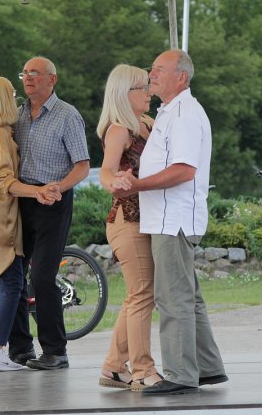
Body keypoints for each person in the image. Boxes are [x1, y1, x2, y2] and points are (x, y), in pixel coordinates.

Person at [113, 49, 228, 395]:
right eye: (152, 69)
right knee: (187, 296)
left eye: (159, 69)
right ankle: (206, 367)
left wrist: (137, 184)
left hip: (172, 219)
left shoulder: (185, 114)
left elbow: (183, 170)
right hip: (167, 217)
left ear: (181, 76)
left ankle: (180, 373)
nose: (152, 75)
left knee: (173, 297)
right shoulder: (171, 112)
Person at [8, 57, 90, 370]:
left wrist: (59, 187)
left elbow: (82, 166)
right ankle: (20, 349)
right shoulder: (18, 116)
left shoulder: (68, 116)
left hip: (53, 202)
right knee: (12, 273)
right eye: (24, 73)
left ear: (51, 80)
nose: (27, 78)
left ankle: (56, 351)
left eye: (34, 73)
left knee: (41, 275)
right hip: (24, 199)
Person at [0, 75, 61, 371]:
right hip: (0, 222)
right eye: (11, 94)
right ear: (1, 100)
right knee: (12, 284)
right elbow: (3, 182)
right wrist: (36, 191)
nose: (15, 99)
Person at [96, 64, 162, 390]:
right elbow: (106, 170)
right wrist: (115, 181)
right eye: (143, 87)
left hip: (147, 219)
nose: (150, 92)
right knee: (142, 295)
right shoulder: (119, 129)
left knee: (138, 295)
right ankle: (142, 371)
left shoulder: (149, 123)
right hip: (127, 221)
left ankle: (113, 367)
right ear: (125, 93)